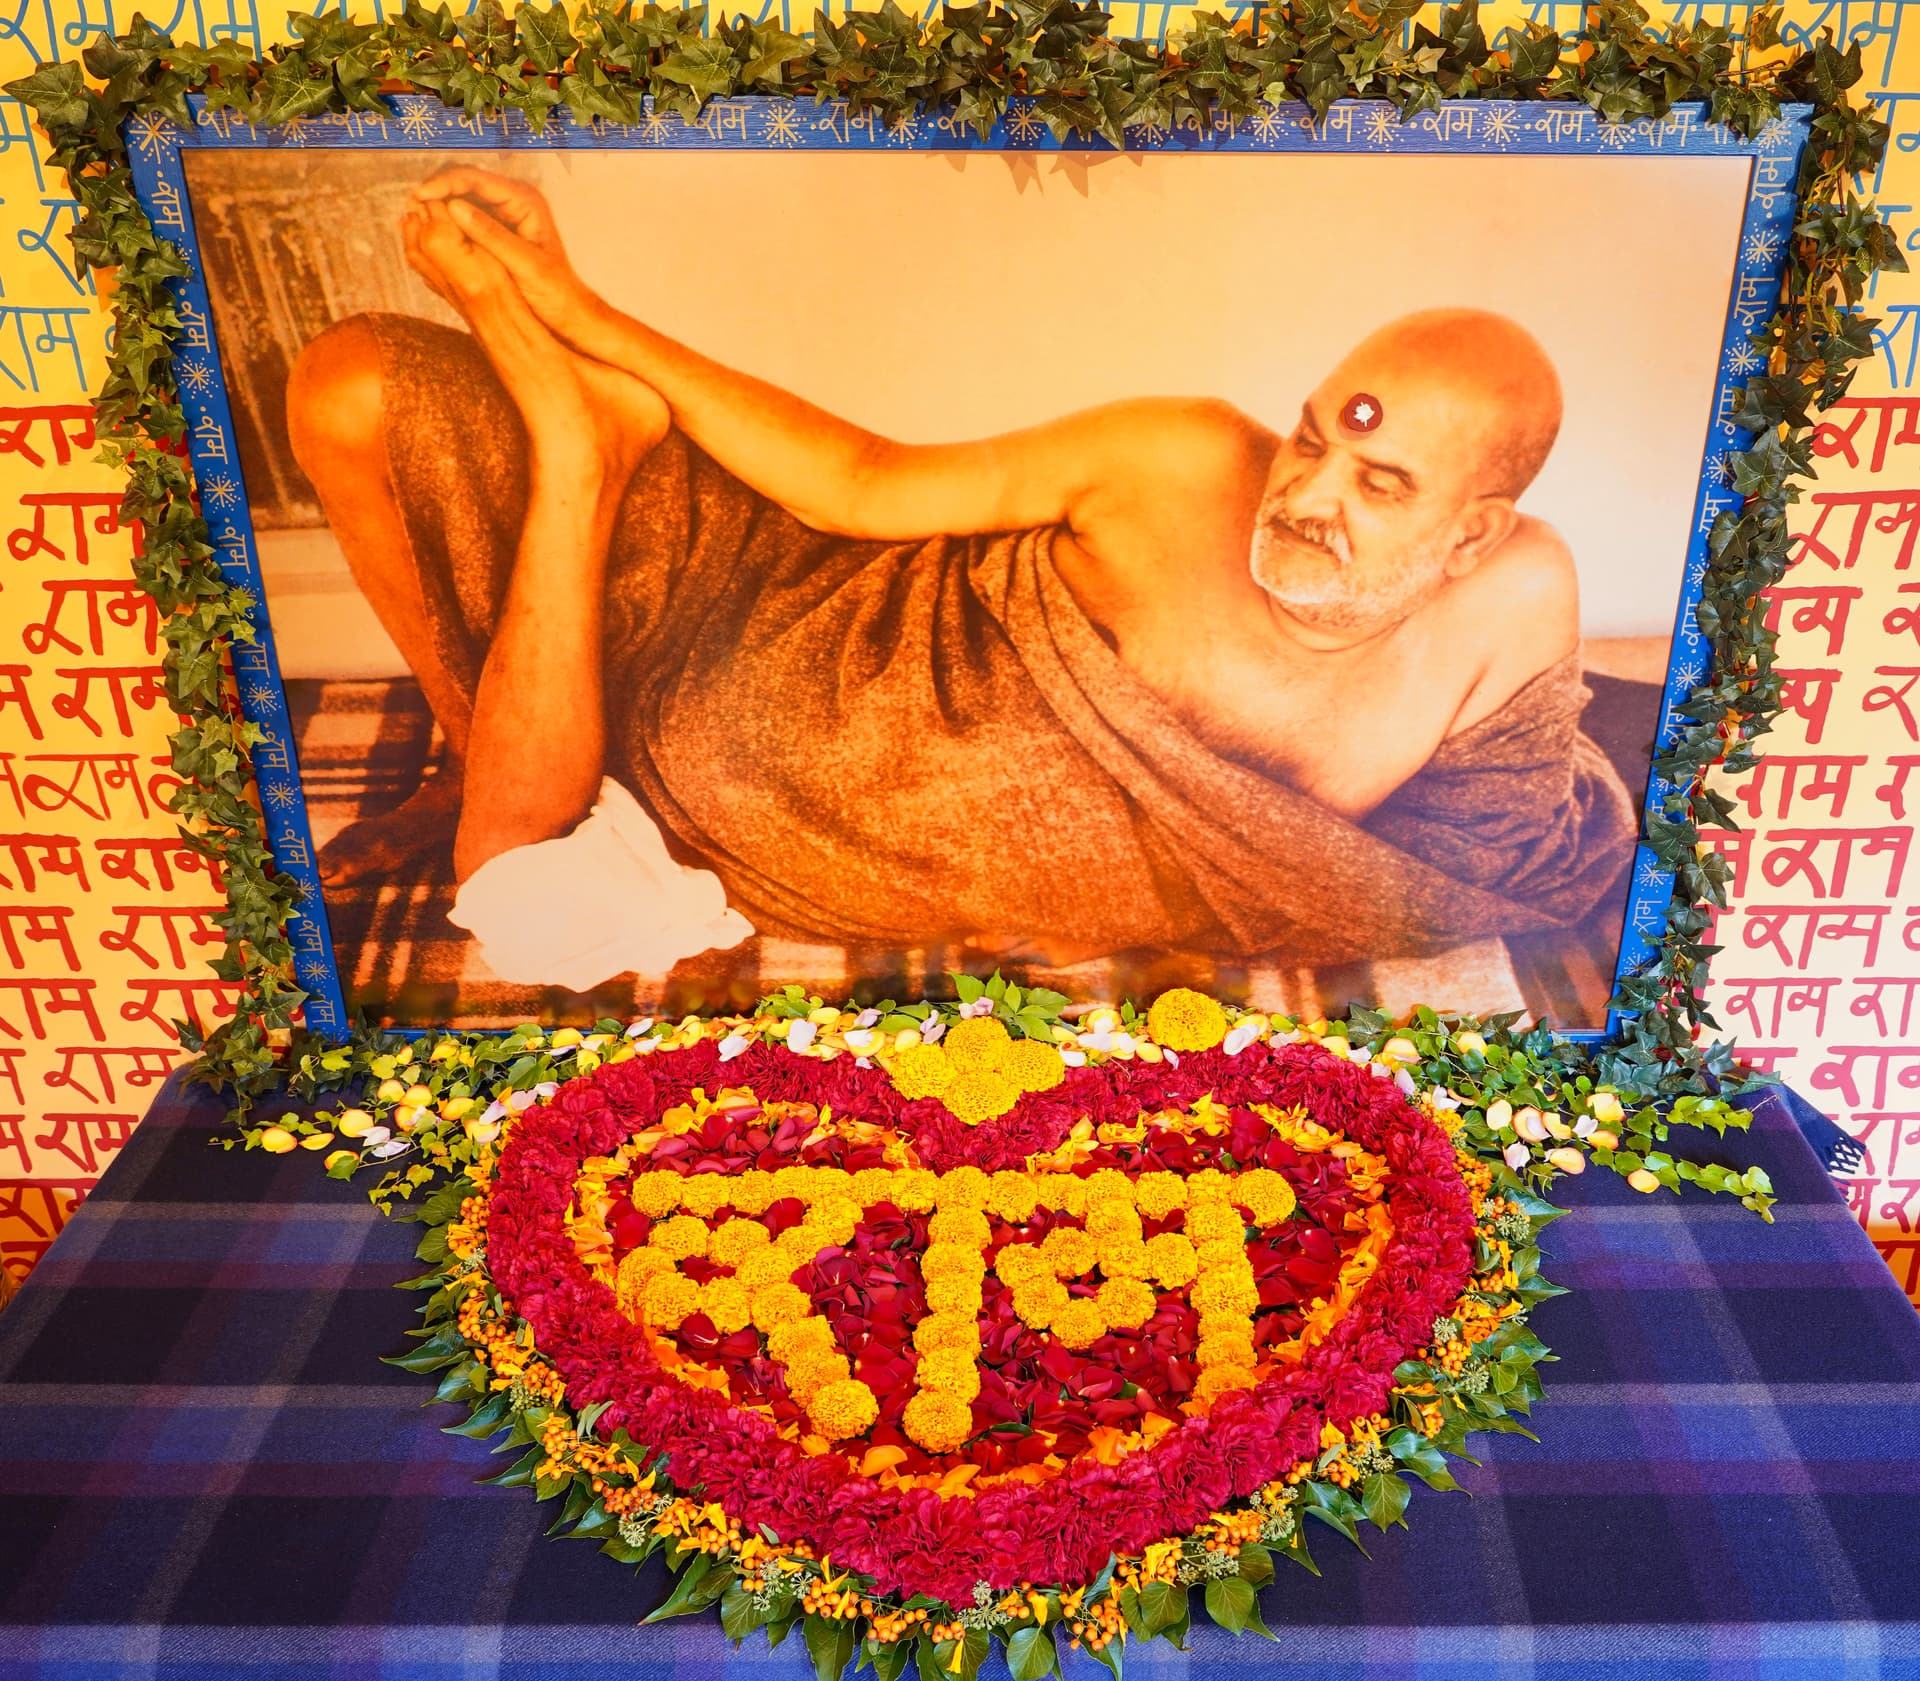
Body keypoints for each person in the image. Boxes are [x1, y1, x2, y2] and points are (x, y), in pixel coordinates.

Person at [286, 165, 1633, 985]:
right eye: (1313, 435)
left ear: (1473, 535)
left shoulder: (1507, 599)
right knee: (350, 385)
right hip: (806, 612)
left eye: (1382, 485)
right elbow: (864, 484)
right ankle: (553, 516)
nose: (1309, 494)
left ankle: (576, 458)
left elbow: (1459, 866)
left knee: (513, 884)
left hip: (761, 805)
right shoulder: (1177, 454)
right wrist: (577, 310)